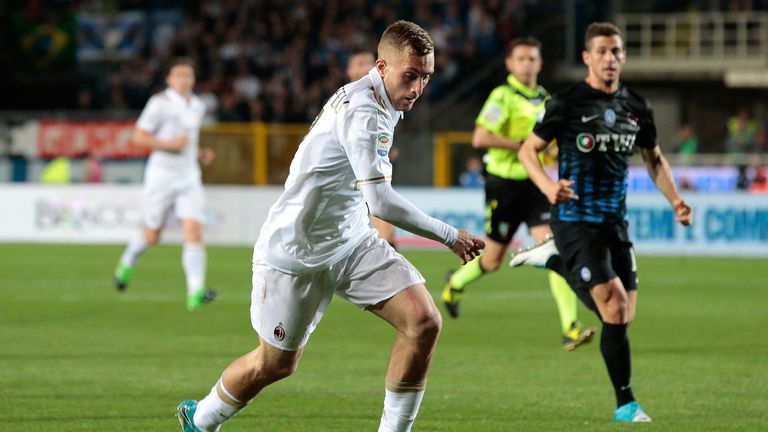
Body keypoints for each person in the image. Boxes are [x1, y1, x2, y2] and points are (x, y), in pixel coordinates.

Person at [176, 21, 484, 432]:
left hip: (352, 241)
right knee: (276, 364)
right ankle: (202, 418)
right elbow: (380, 201)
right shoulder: (364, 111)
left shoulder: (386, 99)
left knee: (423, 321)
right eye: (410, 76)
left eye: (425, 77)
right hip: (295, 253)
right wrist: (451, 235)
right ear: (381, 66)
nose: (417, 88)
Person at [512, 22, 693, 422]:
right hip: (575, 217)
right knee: (612, 306)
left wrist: (676, 200)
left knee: (624, 314)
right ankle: (625, 403)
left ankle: (554, 261)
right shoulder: (567, 102)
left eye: (616, 52)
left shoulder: (637, 107)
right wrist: (547, 186)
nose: (609, 58)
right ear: (587, 58)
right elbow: (529, 151)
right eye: (602, 51)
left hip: (615, 221)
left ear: (623, 57)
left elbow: (654, 159)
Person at [441, 37, 594, 351]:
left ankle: (570, 328)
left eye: (532, 58)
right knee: (493, 260)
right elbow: (481, 137)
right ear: (510, 64)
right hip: (504, 185)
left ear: (540, 63)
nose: (527, 64)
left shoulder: (546, 99)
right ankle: (453, 285)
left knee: (554, 249)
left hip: (536, 184)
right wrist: (523, 147)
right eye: (521, 58)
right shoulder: (503, 96)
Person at [113, 59, 217, 311]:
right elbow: (138, 137)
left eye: (189, 74)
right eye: (179, 75)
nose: (185, 79)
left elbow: (187, 143)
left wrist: (198, 153)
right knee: (152, 235)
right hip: (161, 176)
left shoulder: (198, 105)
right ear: (169, 80)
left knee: (194, 230)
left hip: (189, 176)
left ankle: (196, 291)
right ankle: (127, 261)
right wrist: (171, 145)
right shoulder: (160, 103)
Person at [347, 47, 401, 249]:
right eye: (358, 64)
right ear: (349, 70)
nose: (363, 69)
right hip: (344, 186)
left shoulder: (383, 103)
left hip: (367, 183)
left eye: (367, 64)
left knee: (388, 235)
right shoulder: (342, 102)